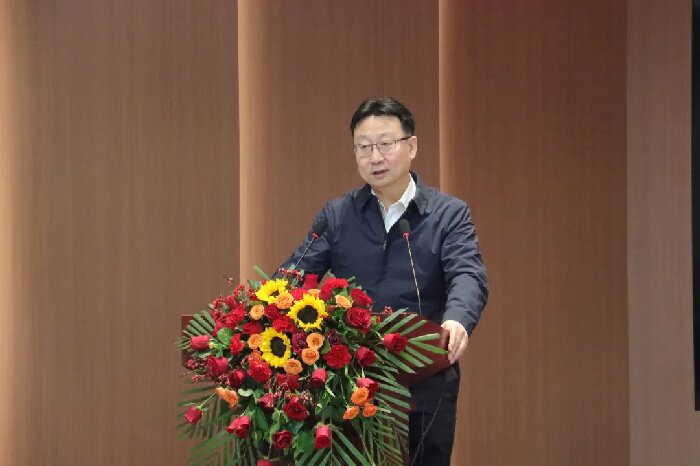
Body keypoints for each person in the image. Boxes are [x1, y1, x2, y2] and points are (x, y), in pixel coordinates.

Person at [278, 97, 488, 466]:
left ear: (412, 146)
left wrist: (457, 319)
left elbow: (467, 273)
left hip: (425, 368)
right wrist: (263, 309)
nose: (375, 157)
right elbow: (295, 274)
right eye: (363, 147)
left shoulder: (448, 214)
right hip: (351, 374)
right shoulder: (338, 215)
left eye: (385, 144)